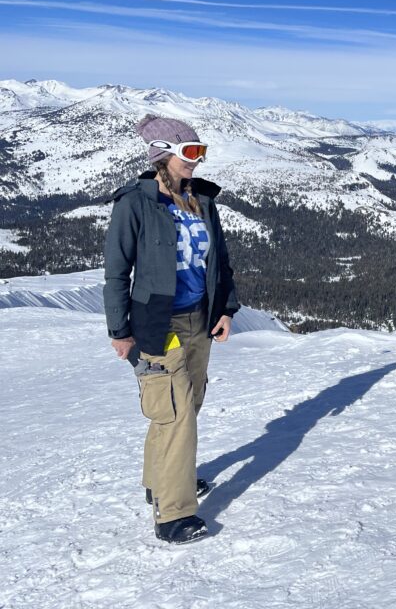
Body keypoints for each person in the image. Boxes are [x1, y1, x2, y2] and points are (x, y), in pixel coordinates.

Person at [103, 114, 239, 544]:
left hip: (199, 318)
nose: (197, 162)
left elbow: (222, 262)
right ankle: (174, 514)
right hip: (157, 324)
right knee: (177, 414)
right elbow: (115, 272)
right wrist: (120, 331)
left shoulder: (203, 201)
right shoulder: (136, 204)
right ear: (163, 154)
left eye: (201, 152)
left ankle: (160, 478)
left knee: (186, 406)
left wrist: (225, 309)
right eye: (190, 152)